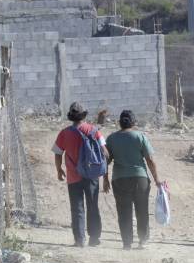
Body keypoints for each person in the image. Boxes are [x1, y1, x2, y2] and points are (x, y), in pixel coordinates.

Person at [104, 110, 162, 250]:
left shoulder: (111, 139)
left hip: (119, 179)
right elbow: (150, 160)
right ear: (134, 122)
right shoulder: (140, 136)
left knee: (123, 211)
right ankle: (142, 240)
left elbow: (105, 161)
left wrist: (105, 180)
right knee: (142, 210)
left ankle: (127, 243)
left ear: (119, 122)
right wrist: (157, 179)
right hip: (140, 179)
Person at [52, 102, 106, 247]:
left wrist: (59, 169)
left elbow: (58, 153)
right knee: (93, 205)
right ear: (84, 115)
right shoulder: (93, 130)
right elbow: (104, 151)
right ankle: (94, 238)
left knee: (77, 208)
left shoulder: (64, 133)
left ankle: (79, 240)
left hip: (73, 176)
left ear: (71, 116)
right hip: (91, 175)